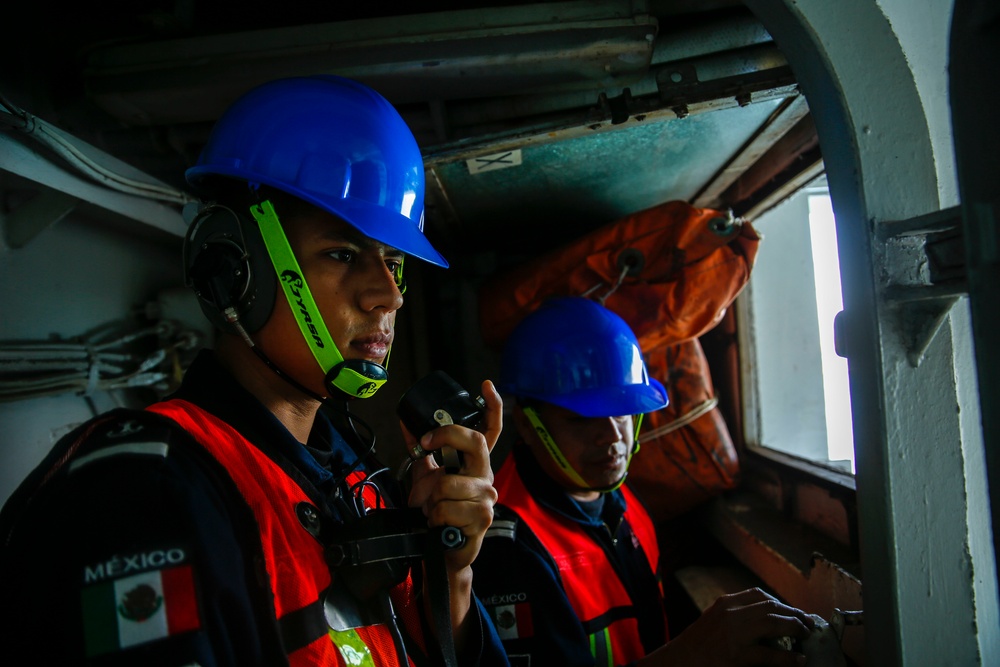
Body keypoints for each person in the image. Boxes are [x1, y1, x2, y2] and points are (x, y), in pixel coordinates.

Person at [0, 75, 508, 666]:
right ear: (233, 269)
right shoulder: (146, 492)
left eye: (393, 262)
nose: (388, 296)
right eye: (342, 254)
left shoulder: (354, 475)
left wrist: (449, 575)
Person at [472, 296, 814, 666]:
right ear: (526, 423)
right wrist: (695, 654)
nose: (612, 436)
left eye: (621, 410)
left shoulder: (618, 498)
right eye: (581, 418)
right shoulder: (507, 548)